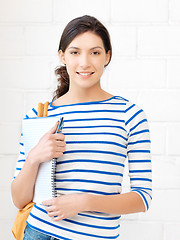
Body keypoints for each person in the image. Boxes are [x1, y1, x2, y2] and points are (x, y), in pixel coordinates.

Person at [11, 15, 152, 240]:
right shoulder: (39, 115)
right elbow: (19, 199)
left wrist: (85, 202)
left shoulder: (129, 115)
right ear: (62, 56)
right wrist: (33, 158)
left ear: (107, 56)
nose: (84, 62)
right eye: (75, 52)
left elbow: (143, 198)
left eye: (95, 52)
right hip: (39, 232)